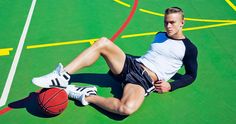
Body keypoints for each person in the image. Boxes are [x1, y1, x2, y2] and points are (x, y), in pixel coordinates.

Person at [32, 7, 198, 115]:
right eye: (166, 22)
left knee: (126, 109)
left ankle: (86, 96)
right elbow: (153, 56)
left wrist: (171, 85)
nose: (168, 26)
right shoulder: (159, 35)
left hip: (142, 81)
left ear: (182, 23)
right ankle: (62, 75)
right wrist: (120, 57)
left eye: (172, 22)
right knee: (103, 42)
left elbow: (191, 75)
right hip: (132, 65)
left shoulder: (188, 48)